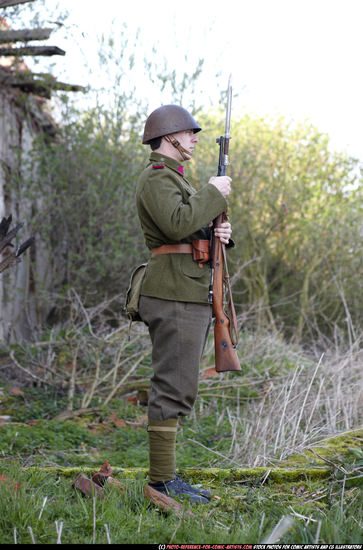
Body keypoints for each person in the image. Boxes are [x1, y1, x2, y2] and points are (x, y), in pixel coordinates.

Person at [136, 105, 233, 504]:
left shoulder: (176, 181)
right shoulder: (157, 178)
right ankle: (160, 483)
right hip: (172, 292)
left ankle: (166, 478)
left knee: (180, 386)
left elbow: (190, 226)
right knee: (172, 387)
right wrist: (213, 192)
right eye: (190, 132)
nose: (195, 138)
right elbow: (176, 225)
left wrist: (218, 231)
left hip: (186, 291)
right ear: (170, 136)